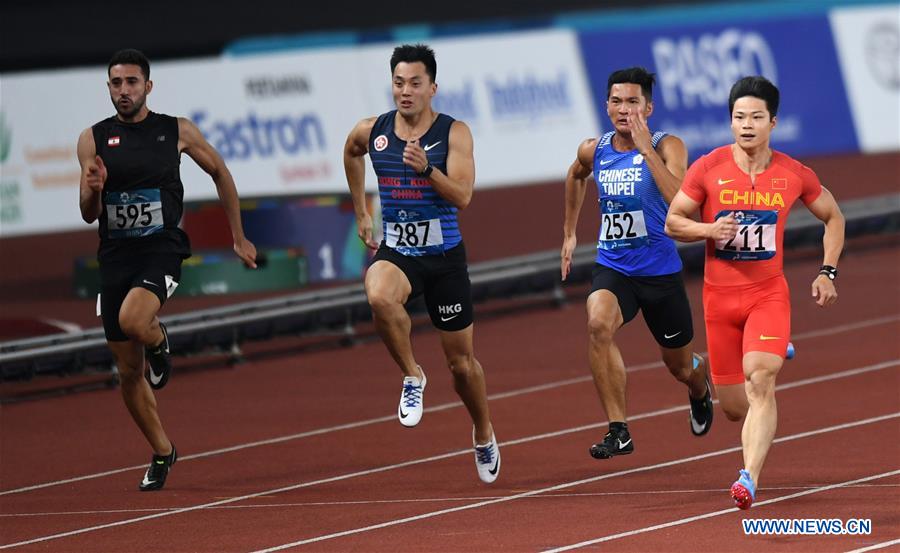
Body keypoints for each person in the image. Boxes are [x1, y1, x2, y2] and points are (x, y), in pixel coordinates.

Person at [77, 49, 258, 491]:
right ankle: (162, 451)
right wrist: (94, 190)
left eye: (132, 82)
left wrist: (238, 235)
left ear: (148, 87)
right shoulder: (92, 139)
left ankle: (159, 342)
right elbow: (87, 213)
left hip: (162, 247)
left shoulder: (175, 130)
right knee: (127, 371)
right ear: (108, 88)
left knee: (135, 320)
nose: (124, 91)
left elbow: (220, 172)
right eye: (116, 84)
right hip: (115, 254)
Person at [665, 76, 845, 509]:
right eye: (739, 117)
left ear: (773, 122)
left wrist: (827, 273)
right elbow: (673, 222)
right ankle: (769, 349)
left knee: (760, 382)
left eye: (755, 117)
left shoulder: (794, 174)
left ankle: (748, 478)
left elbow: (834, 217)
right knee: (732, 407)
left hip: (767, 294)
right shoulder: (707, 169)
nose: (746, 125)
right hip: (719, 300)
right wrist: (709, 229)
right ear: (730, 122)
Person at [343, 44, 499, 483]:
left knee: (462, 367)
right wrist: (360, 208)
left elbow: (464, 197)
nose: (405, 91)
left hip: (445, 258)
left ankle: (483, 431)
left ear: (432, 87)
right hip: (400, 252)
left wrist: (428, 169)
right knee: (377, 293)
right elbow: (351, 152)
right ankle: (412, 375)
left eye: (414, 83)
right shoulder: (372, 130)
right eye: (398, 83)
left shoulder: (454, 133)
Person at [560, 67, 713, 460]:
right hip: (615, 268)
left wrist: (646, 150)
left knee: (681, 367)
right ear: (606, 105)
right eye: (616, 101)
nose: (623, 109)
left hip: (660, 272)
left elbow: (683, 199)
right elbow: (576, 175)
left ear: (648, 106)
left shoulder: (668, 146)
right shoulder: (595, 149)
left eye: (632, 102)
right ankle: (619, 429)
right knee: (597, 322)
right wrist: (570, 232)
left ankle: (700, 385)